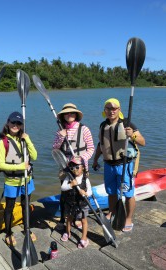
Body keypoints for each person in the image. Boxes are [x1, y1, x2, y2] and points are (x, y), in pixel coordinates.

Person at [92, 98, 145, 232]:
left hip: (124, 165)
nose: (111, 111)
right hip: (108, 165)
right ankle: (112, 212)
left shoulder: (127, 123)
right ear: (104, 110)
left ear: (119, 110)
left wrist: (132, 135)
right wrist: (95, 159)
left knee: (128, 193)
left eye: (114, 108)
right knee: (111, 193)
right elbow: (101, 145)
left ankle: (128, 218)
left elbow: (143, 142)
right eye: (108, 108)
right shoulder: (103, 125)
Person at [0, 111, 38, 246]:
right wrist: (21, 166)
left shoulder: (24, 139)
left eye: (18, 123)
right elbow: (1, 165)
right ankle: (8, 233)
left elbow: (35, 156)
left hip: (26, 180)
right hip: (11, 181)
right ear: (8, 123)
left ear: (21, 125)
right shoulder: (3, 142)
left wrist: (28, 139)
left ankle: (27, 229)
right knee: (9, 208)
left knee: (26, 205)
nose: (15, 125)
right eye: (13, 122)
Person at [53, 103, 95, 229]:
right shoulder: (60, 131)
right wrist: (61, 137)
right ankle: (63, 218)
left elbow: (91, 148)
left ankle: (77, 218)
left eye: (72, 112)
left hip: (80, 167)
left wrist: (81, 158)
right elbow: (55, 149)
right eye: (66, 113)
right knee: (65, 192)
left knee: (78, 193)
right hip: (65, 167)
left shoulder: (84, 129)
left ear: (76, 114)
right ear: (63, 116)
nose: (69, 115)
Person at [60, 156, 92, 248]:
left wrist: (85, 193)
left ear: (83, 167)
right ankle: (67, 232)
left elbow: (90, 191)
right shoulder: (69, 177)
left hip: (82, 204)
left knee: (83, 220)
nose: (75, 170)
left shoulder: (85, 179)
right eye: (72, 168)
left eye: (77, 167)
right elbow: (63, 187)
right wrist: (70, 185)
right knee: (69, 219)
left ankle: (84, 238)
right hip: (71, 203)